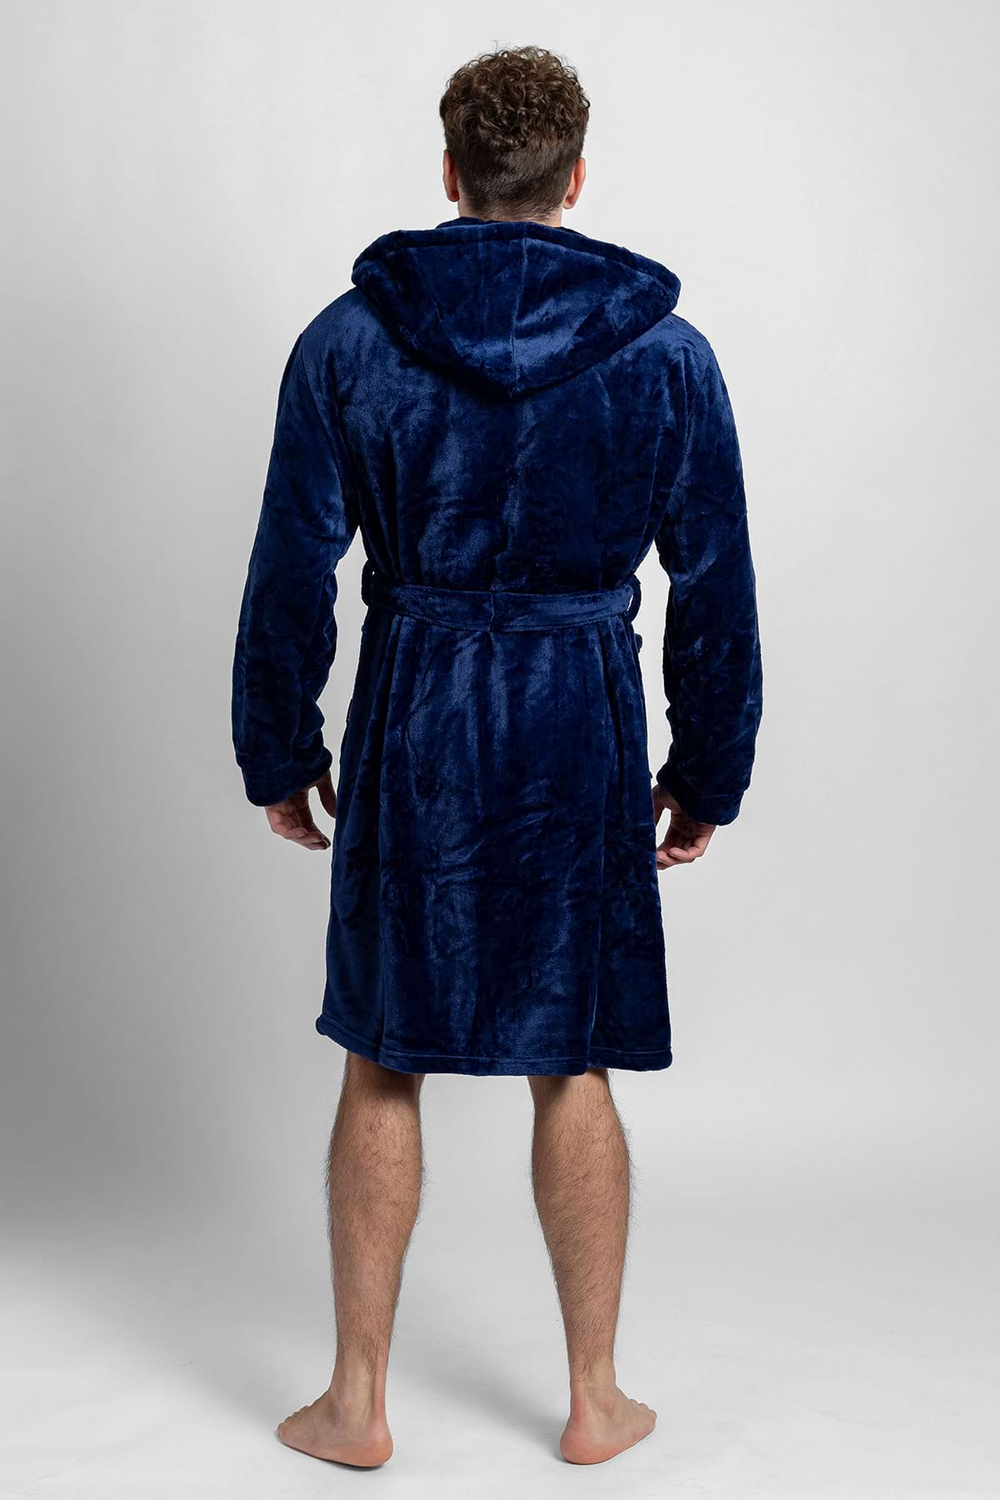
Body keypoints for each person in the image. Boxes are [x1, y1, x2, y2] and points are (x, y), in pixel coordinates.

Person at [232, 45, 762, 1469]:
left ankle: (356, 1402)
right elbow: (714, 584)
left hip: (418, 717)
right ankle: (596, 1397)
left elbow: (292, 566)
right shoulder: (666, 357)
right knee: (571, 1054)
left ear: (451, 173)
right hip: (577, 722)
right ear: (575, 178)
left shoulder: (350, 343)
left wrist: (280, 748)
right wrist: (708, 768)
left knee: (382, 1056)